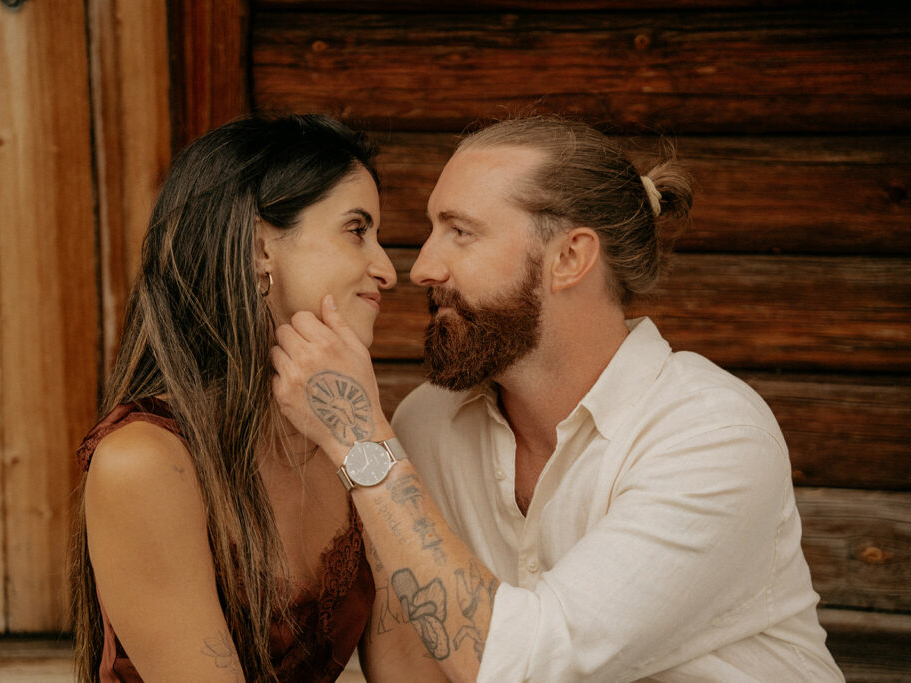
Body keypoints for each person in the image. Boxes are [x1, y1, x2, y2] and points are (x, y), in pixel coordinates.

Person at [270, 116, 844, 681]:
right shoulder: (428, 423)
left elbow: (528, 667)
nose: (421, 268)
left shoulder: (712, 438)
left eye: (461, 232)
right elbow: (409, 665)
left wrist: (359, 438)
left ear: (569, 258)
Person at [69, 113, 407, 682]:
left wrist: (368, 436)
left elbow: (410, 672)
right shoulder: (144, 462)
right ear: (258, 249)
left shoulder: (349, 445)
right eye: (356, 230)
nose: (387, 270)